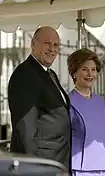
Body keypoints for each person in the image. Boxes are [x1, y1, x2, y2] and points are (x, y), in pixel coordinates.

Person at [8, 26, 71, 170]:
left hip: (57, 160)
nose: (52, 49)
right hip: (41, 163)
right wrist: (35, 167)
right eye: (47, 43)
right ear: (33, 45)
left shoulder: (50, 74)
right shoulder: (25, 74)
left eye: (56, 45)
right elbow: (25, 129)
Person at [67, 48, 105, 176]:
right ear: (74, 73)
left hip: (103, 167)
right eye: (84, 69)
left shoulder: (100, 101)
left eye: (93, 70)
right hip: (80, 168)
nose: (90, 74)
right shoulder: (68, 102)